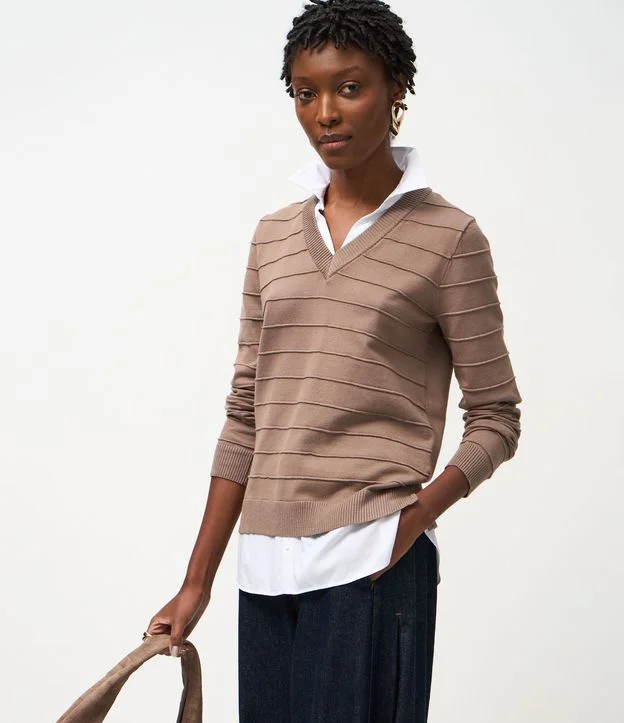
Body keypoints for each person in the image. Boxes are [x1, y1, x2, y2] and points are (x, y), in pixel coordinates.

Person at [145, 1, 522, 720]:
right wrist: (197, 583)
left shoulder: (449, 239)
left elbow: (497, 416)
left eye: (349, 88)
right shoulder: (273, 238)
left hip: (370, 564)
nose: (325, 113)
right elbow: (245, 415)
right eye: (305, 92)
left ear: (396, 88)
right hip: (264, 571)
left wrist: (412, 519)